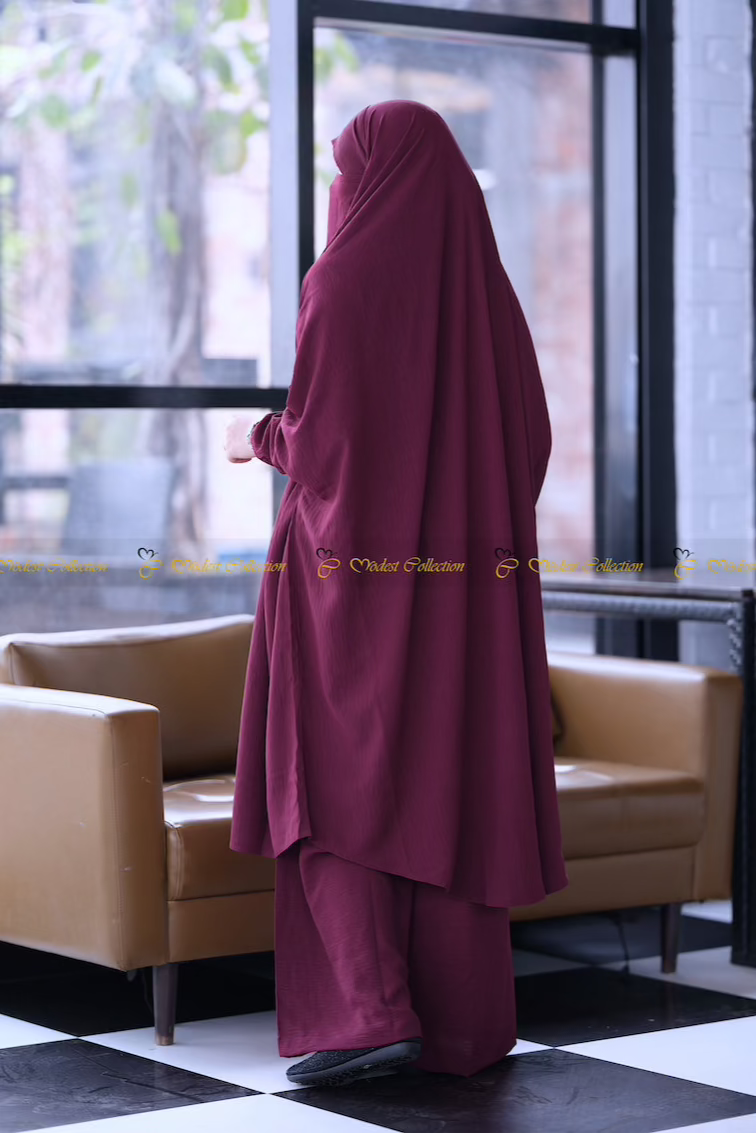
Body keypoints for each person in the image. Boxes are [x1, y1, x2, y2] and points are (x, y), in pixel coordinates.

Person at [224, 99, 569, 1089]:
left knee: (325, 783)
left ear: (371, 178)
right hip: (463, 595)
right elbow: (529, 446)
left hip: (344, 591)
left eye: (345, 172)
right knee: (444, 780)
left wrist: (259, 435)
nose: (341, 192)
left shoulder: (339, 282)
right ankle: (462, 1029)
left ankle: (369, 1012)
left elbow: (328, 446)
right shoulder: (488, 296)